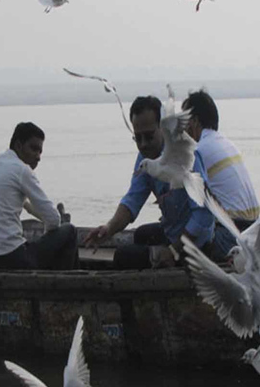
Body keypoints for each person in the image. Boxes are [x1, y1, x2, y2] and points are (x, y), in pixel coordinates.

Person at [84, 95, 215, 269]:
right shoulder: (145, 159)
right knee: (141, 235)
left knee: (124, 256)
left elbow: (203, 215)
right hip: (173, 232)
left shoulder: (184, 157)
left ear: (162, 128)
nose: (143, 144)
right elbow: (132, 200)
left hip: (197, 244)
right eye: (138, 138)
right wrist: (108, 229)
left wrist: (173, 251)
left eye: (149, 136)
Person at [0, 122, 78, 270]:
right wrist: (48, 235)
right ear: (18, 145)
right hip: (14, 259)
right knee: (70, 231)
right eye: (34, 149)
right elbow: (54, 219)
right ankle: (65, 285)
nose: (38, 157)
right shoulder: (21, 170)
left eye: (40, 151)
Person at [182, 89, 260, 260]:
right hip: (255, 232)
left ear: (194, 122)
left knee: (174, 239)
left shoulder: (199, 151)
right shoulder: (226, 143)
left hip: (232, 236)